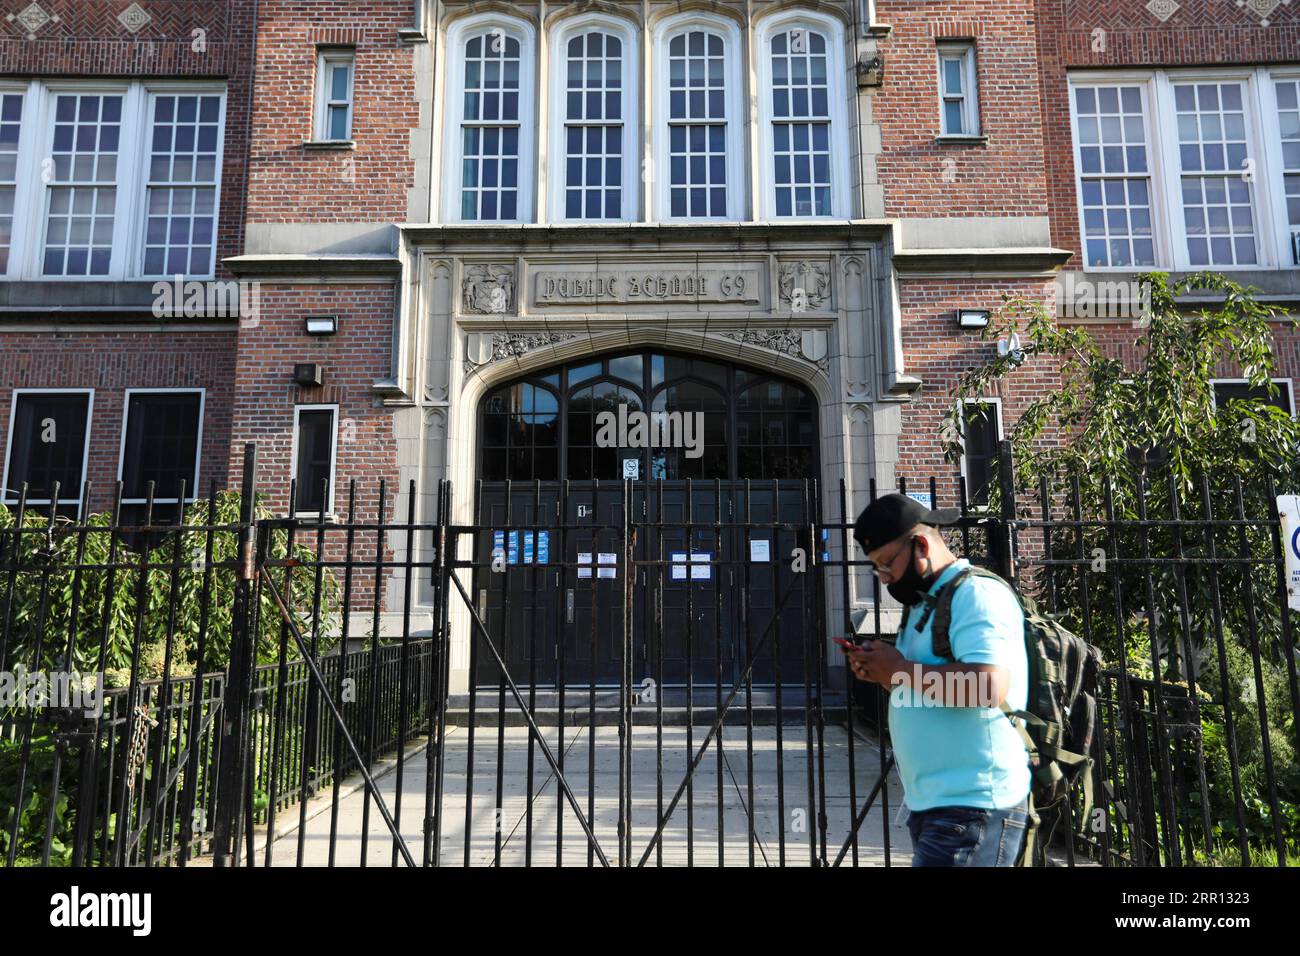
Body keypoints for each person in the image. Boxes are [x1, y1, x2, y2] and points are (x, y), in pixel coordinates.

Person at [843, 493, 1030, 867]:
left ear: (921, 544)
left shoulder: (977, 595)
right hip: (936, 804)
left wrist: (899, 670)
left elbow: (989, 687)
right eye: (875, 569)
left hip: (974, 806)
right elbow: (921, 686)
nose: (883, 578)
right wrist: (882, 671)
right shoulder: (924, 603)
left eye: (885, 564)